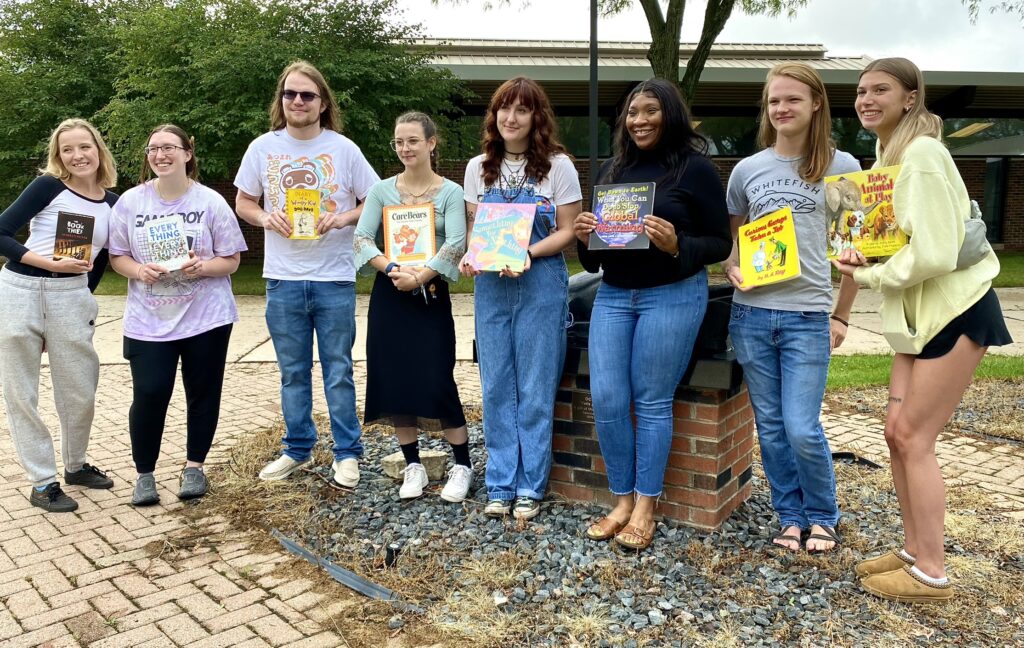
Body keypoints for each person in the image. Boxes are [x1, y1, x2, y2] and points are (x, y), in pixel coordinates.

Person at [834, 57, 1011, 602]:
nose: (866, 99)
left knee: (914, 437)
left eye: (880, 89)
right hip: (918, 322)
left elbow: (934, 253)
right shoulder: (888, 159)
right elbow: (904, 239)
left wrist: (869, 273)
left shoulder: (925, 154)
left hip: (954, 314)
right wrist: (862, 251)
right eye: (861, 91)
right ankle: (914, 550)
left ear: (911, 97)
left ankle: (932, 571)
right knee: (894, 434)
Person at [574, 78, 731, 550]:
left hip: (672, 294)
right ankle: (620, 499)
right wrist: (585, 238)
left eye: (650, 111)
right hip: (616, 295)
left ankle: (646, 505)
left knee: (652, 399)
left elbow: (720, 243)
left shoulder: (696, 169)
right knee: (605, 397)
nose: (639, 120)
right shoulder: (612, 170)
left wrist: (677, 243)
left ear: (670, 114)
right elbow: (595, 261)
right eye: (632, 113)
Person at [722, 63, 861, 553]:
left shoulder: (843, 167)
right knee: (773, 427)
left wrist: (840, 315)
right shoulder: (748, 170)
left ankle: (823, 513)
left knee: (802, 426)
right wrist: (732, 265)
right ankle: (790, 515)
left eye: (792, 100)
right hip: (752, 315)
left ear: (816, 103)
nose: (781, 109)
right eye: (774, 101)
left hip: (807, 316)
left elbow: (852, 255)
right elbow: (735, 242)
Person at [235, 60, 380, 486]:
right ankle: (297, 448)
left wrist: (343, 219)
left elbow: (375, 200)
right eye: (290, 94)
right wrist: (264, 218)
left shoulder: (344, 149)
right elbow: (244, 202)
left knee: (339, 369)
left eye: (307, 95)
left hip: (334, 275)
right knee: (292, 371)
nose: (298, 101)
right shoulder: (262, 147)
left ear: (322, 103)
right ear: (281, 100)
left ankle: (347, 453)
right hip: (283, 277)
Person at [459, 77, 582, 520]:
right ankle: (500, 482)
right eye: (503, 109)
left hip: (540, 280)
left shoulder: (558, 166)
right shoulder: (478, 167)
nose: (511, 118)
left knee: (534, 385)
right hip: (491, 285)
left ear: (537, 117)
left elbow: (568, 230)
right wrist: (472, 257)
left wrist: (527, 251)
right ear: (494, 116)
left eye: (522, 110)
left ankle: (530, 485)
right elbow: (476, 229)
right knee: (495, 385)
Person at [108, 124, 247, 505]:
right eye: (153, 149)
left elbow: (232, 259)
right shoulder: (130, 203)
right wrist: (138, 271)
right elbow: (117, 256)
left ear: (188, 154)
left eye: (169, 147)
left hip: (206, 317)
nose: (160, 155)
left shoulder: (211, 203)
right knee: (150, 393)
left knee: (202, 393)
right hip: (148, 320)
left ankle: (194, 467)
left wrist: (202, 267)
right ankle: (144, 475)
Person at [0, 118, 118, 512]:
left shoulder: (113, 203)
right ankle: (42, 482)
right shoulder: (48, 187)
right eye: (67, 150)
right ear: (58, 156)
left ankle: (76, 465)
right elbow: (1, 231)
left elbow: (99, 261)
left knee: (80, 390)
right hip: (20, 290)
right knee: (22, 392)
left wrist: (81, 298)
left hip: (71, 297)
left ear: (98, 150)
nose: (77, 155)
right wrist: (45, 262)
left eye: (84, 147)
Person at [354, 112, 471, 501]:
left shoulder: (450, 192)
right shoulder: (381, 191)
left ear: (431, 144)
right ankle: (413, 466)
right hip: (390, 294)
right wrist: (391, 268)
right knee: (395, 378)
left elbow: (456, 242)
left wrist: (421, 276)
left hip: (430, 295)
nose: (405, 148)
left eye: (413, 141)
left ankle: (462, 465)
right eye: (399, 142)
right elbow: (361, 239)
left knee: (438, 377)